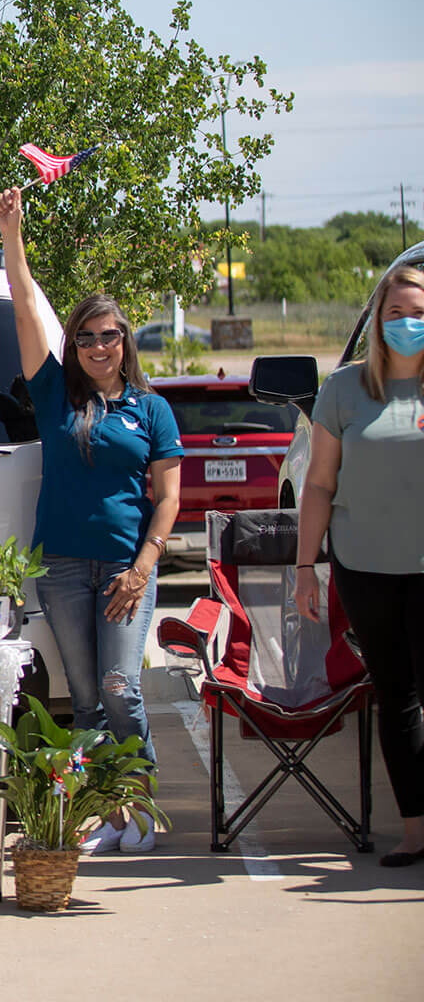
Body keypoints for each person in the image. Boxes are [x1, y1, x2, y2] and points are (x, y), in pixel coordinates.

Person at [0, 186, 181, 854]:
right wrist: (12, 236)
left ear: (125, 342)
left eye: (110, 336)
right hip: (66, 568)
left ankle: (142, 811)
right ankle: (105, 815)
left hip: (127, 569)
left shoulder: (152, 412)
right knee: (88, 699)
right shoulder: (52, 395)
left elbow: (168, 498)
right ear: (72, 345)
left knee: (122, 688)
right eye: (86, 337)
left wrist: (142, 568)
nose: (99, 346)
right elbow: (22, 307)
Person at [293, 264, 424, 868]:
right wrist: (305, 567)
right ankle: (415, 830)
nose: (406, 323)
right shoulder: (344, 390)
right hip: (366, 569)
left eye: (417, 311)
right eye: (394, 313)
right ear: (376, 321)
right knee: (396, 698)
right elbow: (318, 484)